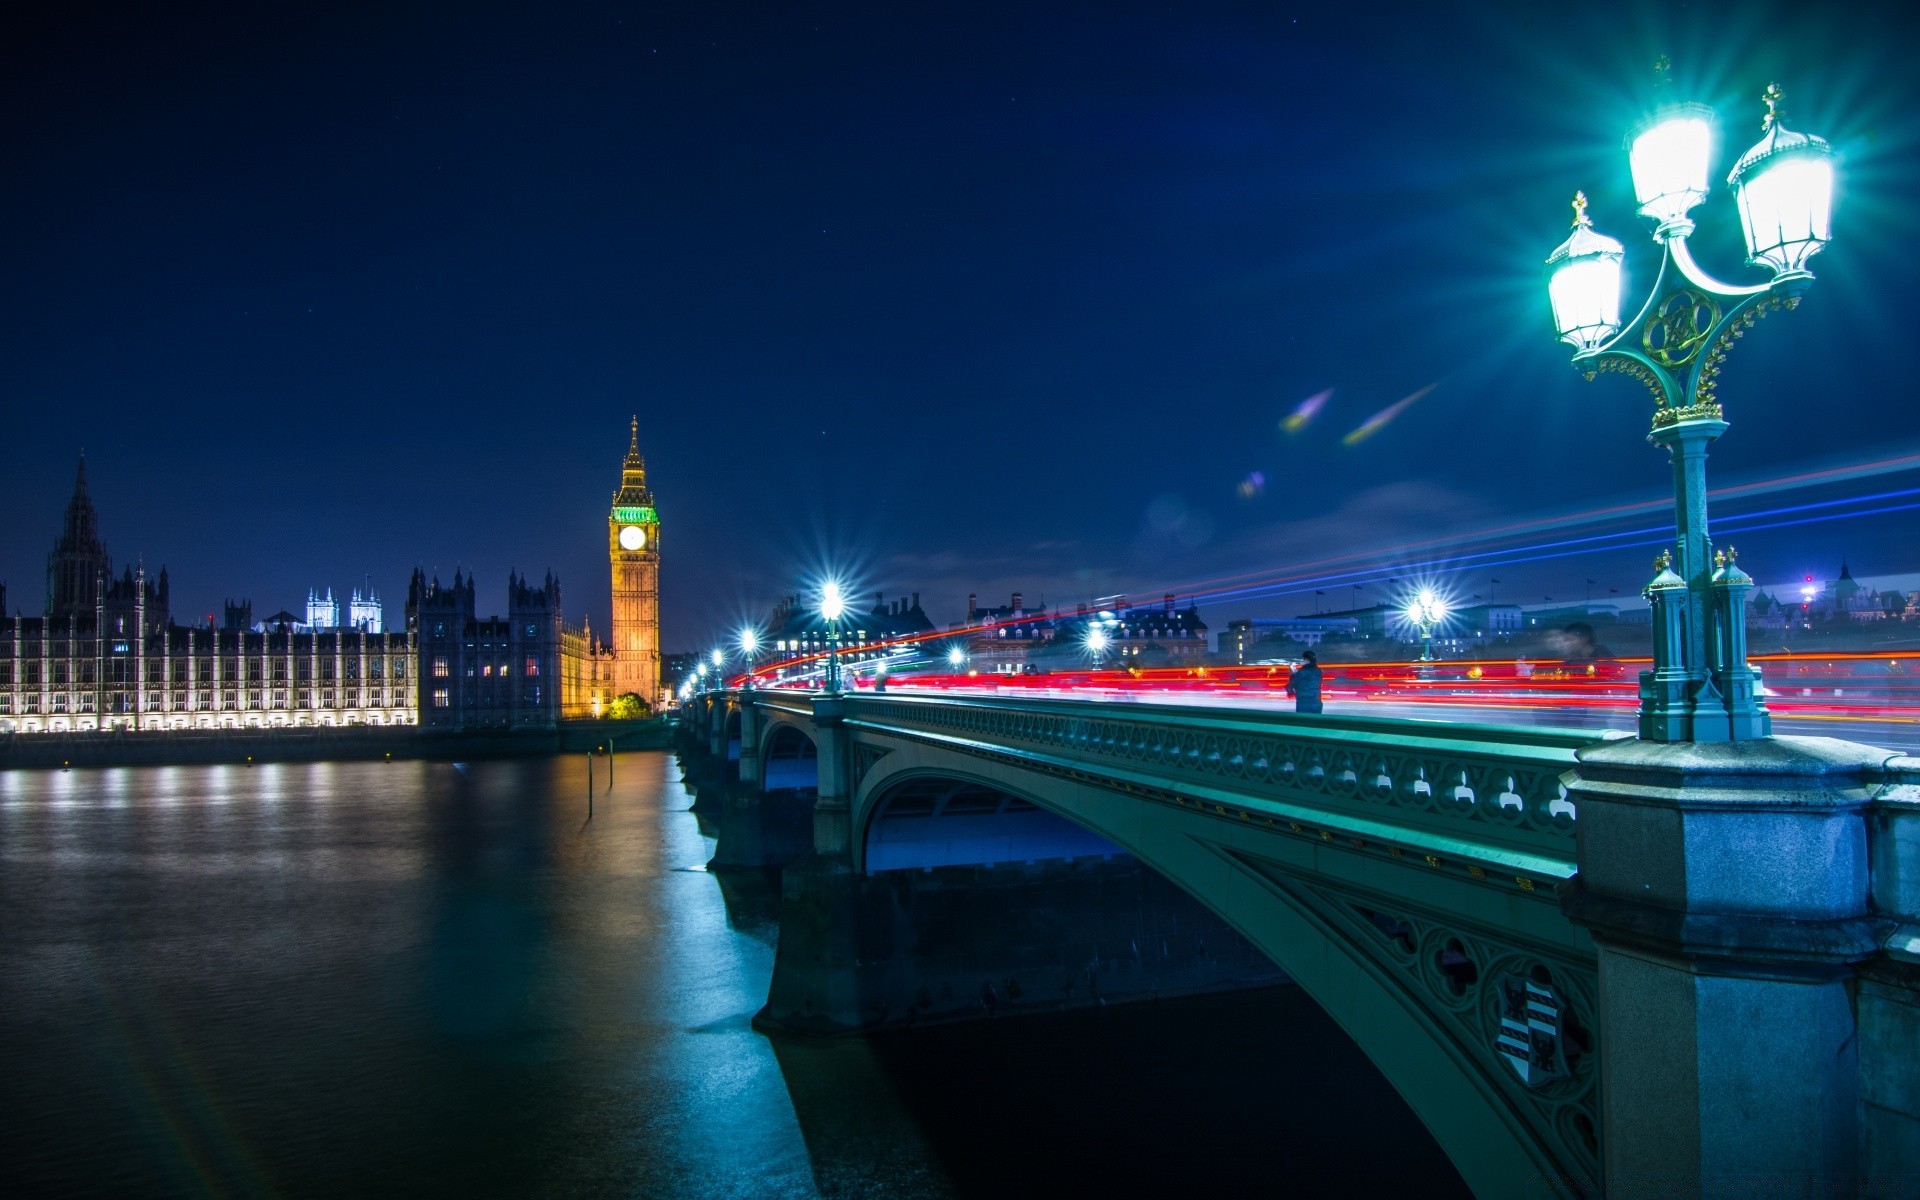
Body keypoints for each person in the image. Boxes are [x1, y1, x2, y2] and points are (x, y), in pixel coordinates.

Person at [1287, 650, 1323, 714]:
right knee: (1315, 721)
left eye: (1303, 659)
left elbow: (1292, 684)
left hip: (1303, 703)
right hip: (1316, 702)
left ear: (1306, 660)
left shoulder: (1301, 672)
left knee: (1303, 721)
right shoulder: (1319, 671)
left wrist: (1290, 692)